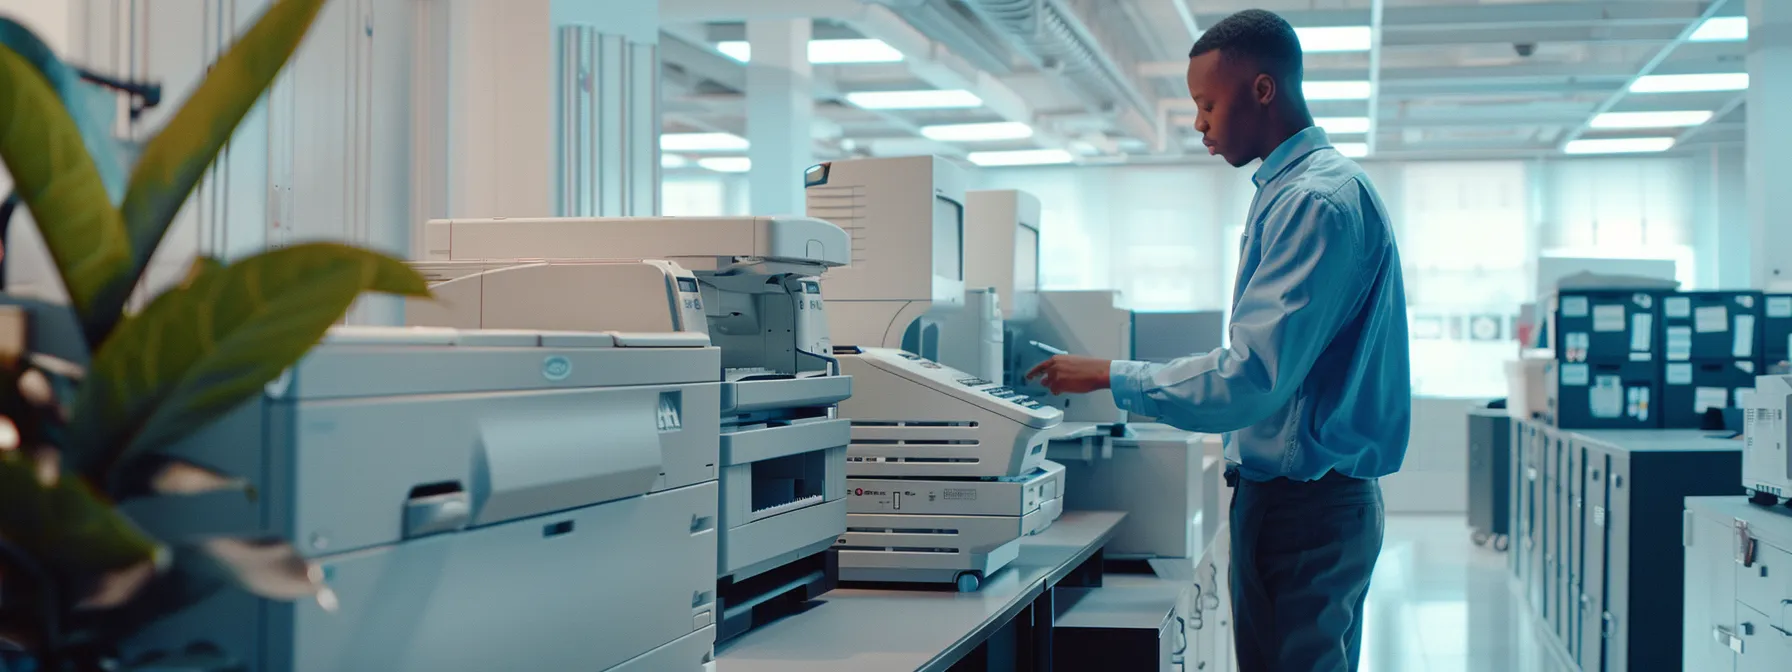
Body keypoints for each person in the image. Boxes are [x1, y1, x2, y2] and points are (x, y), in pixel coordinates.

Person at [1024, 8, 1411, 672]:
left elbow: (1250, 380)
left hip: (1304, 512)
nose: (1199, 121)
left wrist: (1107, 375)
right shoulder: (1305, 191)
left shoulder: (1311, 203)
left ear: (1262, 90)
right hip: (1312, 505)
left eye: (1207, 102)